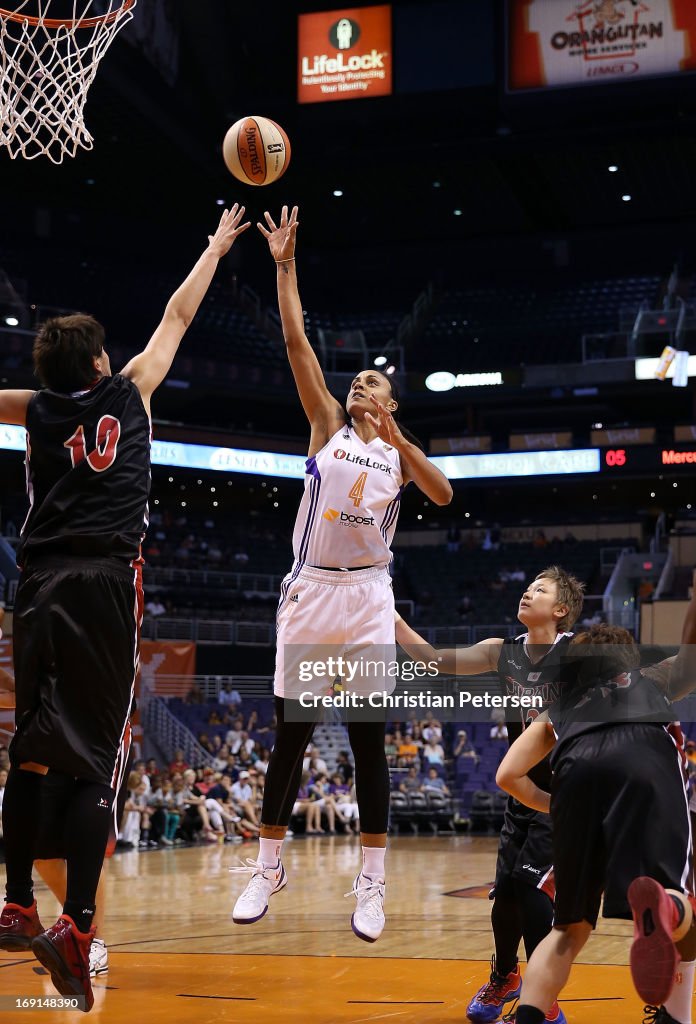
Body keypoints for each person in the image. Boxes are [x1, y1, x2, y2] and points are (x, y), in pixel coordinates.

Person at [0, 204, 250, 1010]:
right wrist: (214, 245)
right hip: (105, 583)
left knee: (32, 748)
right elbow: (178, 313)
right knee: (96, 757)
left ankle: (11, 900)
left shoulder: (35, 407)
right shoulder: (132, 392)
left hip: (34, 586)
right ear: (103, 359)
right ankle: (75, 921)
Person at [232, 205, 452, 943]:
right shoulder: (326, 425)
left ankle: (372, 884)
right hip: (312, 588)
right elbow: (297, 342)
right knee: (290, 736)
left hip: (365, 598)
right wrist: (285, 264)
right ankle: (267, 867)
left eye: (371, 385)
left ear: (390, 405)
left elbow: (444, 493)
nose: (358, 387)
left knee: (366, 743)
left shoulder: (397, 455)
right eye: (356, 382)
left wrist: (402, 438)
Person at [495, 591, 696, 1024]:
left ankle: (529, 1018)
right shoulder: (650, 679)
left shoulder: (559, 706)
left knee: (567, 929)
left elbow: (507, 777)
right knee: (680, 904)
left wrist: (557, 806)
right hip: (641, 758)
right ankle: (668, 914)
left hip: (575, 772)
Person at [396, 566, 585, 1024]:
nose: (526, 592)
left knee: (533, 890)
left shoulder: (578, 651)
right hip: (520, 789)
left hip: (565, 790)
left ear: (560, 610)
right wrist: (393, 620)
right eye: (526, 586)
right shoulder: (502, 652)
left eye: (538, 589)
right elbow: (436, 660)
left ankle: (544, 994)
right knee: (505, 896)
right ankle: (505, 976)